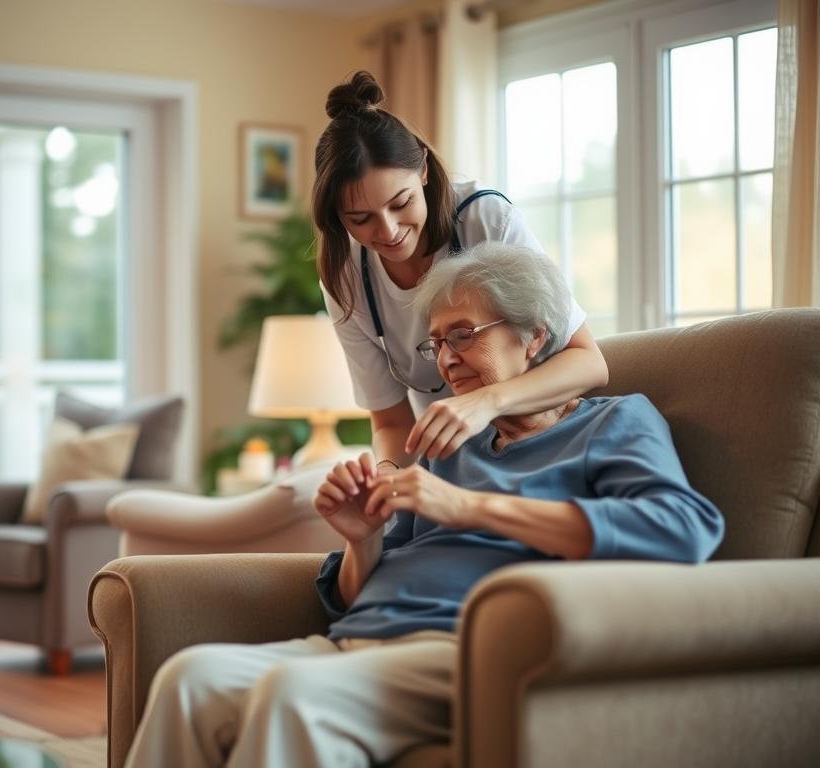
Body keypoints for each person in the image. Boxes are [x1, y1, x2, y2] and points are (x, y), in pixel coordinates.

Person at [124, 243, 724, 768]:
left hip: (466, 650)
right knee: (189, 678)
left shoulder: (613, 421)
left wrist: (471, 508)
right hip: (356, 643)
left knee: (292, 698)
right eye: (437, 343)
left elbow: (684, 529)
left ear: (533, 336)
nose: (447, 358)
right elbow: (356, 597)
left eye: (464, 334)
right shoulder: (449, 443)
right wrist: (362, 540)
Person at [312, 70, 608, 492]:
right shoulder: (345, 278)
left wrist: (483, 404)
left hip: (537, 444)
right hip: (451, 465)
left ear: (425, 172)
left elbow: (589, 362)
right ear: (337, 219)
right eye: (361, 220)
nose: (390, 230)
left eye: (402, 203)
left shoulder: (487, 219)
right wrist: (389, 477)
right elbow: (392, 421)